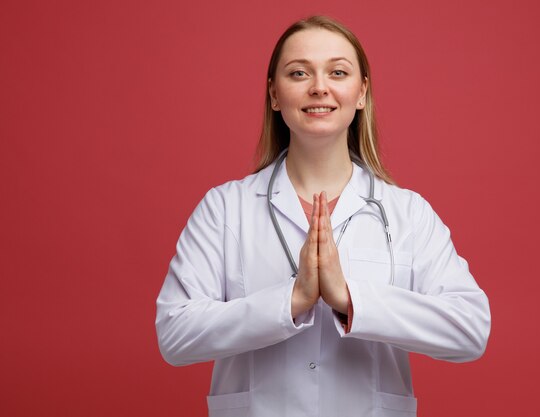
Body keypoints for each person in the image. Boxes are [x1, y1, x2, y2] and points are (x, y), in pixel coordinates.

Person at [155, 15, 491, 417]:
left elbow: (470, 330)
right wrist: (291, 300)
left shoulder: (408, 214)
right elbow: (174, 335)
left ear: (361, 92)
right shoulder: (225, 208)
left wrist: (349, 300)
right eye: (299, 73)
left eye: (338, 72)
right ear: (274, 95)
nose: (319, 87)